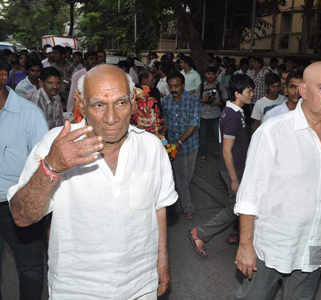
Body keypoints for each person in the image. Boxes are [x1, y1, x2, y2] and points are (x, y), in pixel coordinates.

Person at [8, 64, 177, 300]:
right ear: (80, 103)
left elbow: (159, 208)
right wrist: (52, 166)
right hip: (78, 290)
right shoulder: (55, 145)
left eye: (120, 103)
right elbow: (21, 216)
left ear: (133, 102)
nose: (111, 118)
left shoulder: (151, 147)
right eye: (99, 105)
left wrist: (162, 261)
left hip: (140, 286)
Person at [233, 61, 321, 300]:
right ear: (302, 91)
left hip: (315, 247)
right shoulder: (272, 132)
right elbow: (249, 196)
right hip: (271, 247)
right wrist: (245, 245)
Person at [189, 74, 254, 257]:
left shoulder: (236, 112)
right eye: (248, 91)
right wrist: (233, 178)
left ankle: (239, 236)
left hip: (237, 167)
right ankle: (201, 233)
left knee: (239, 205)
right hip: (233, 169)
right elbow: (227, 150)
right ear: (237, 93)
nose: (252, 94)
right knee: (237, 207)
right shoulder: (232, 116)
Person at [0, 58, 48, 300]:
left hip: (18, 203)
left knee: (30, 269)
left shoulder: (30, 115)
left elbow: (43, 164)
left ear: (3, 76)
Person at [161, 72, 200, 220]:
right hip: (172, 145)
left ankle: (178, 199)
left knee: (187, 177)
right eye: (171, 86)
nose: (173, 89)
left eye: (176, 86)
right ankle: (187, 206)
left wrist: (180, 142)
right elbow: (165, 121)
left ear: (183, 85)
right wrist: (161, 132)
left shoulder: (193, 100)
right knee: (181, 177)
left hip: (190, 145)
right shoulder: (165, 101)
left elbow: (194, 124)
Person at [198, 65, 228, 160]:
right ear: (205, 75)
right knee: (203, 136)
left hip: (216, 115)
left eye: (212, 74)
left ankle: (220, 153)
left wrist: (218, 103)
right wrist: (203, 100)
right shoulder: (201, 86)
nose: (210, 76)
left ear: (216, 75)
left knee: (218, 136)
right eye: (208, 74)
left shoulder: (220, 86)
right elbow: (196, 99)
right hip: (203, 115)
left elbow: (226, 100)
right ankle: (203, 153)